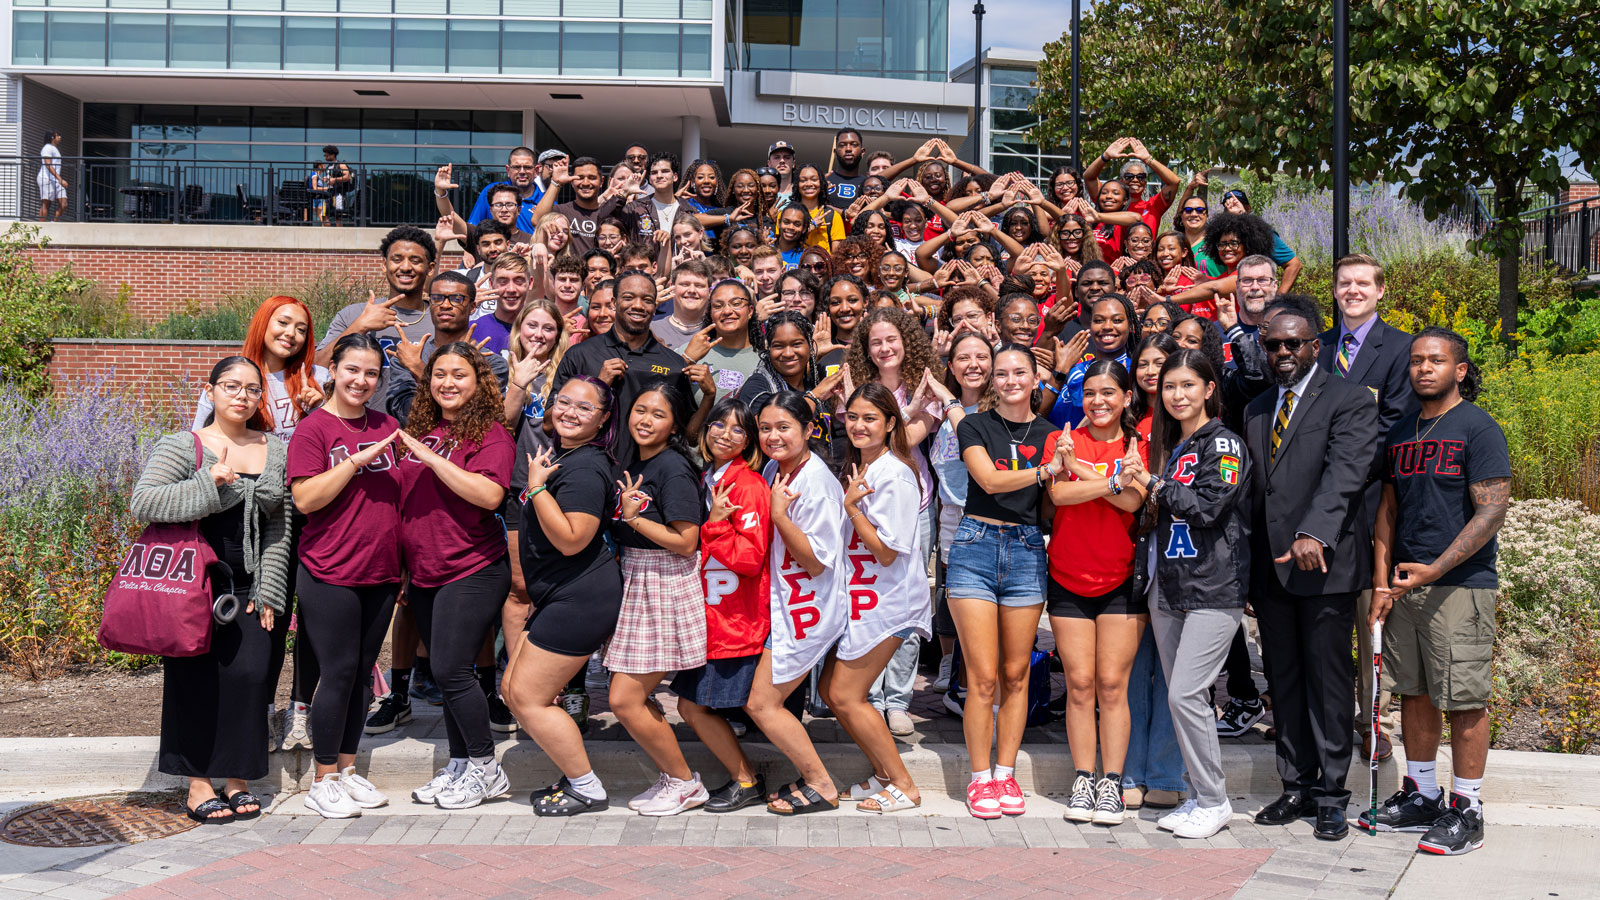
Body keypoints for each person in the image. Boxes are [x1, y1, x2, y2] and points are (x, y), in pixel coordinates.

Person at [1365, 327, 1510, 857]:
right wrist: (1384, 583)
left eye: (1437, 360)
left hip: (1460, 586)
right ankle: (1423, 795)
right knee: (1416, 693)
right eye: (1417, 361)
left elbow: (1491, 510)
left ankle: (1467, 808)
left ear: (1460, 370)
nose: (1424, 368)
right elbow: (1387, 511)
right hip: (1405, 588)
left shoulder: (1477, 428)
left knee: (1465, 699)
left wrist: (1434, 568)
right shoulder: (1401, 432)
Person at [132, 356, 292, 824]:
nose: (242, 396)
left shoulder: (274, 448)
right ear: (211, 391)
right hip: (193, 585)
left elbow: (280, 523)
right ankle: (199, 782)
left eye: (251, 389)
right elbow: (144, 501)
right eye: (231, 386)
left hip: (250, 585)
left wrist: (270, 590)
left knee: (249, 679)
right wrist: (208, 481)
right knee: (194, 681)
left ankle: (237, 778)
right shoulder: (187, 445)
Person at [1243, 298, 1380, 841]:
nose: (1281, 352)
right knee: (1284, 679)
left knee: (1326, 682)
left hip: (1325, 565)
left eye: (1292, 343)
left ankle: (1331, 795)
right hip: (1271, 571)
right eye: (1273, 343)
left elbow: (1347, 473)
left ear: (1314, 347)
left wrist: (1313, 532)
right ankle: (1295, 786)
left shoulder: (1349, 401)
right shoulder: (1255, 409)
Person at [1121, 349, 1250, 840]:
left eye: (1187, 386)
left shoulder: (1225, 445)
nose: (1176, 394)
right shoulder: (1171, 446)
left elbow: (1209, 508)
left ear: (1208, 389)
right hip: (1169, 585)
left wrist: (1150, 482)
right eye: (1169, 386)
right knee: (1184, 701)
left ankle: (1215, 800)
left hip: (1215, 586)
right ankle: (1200, 795)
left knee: (1186, 693)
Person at [190, 296, 327, 753]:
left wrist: (319, 409)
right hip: (259, 516)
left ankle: (300, 709)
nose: (290, 333)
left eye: (302, 328)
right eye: (282, 322)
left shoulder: (317, 380)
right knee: (269, 611)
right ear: (263, 323)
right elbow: (201, 447)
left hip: (313, 512)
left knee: (311, 614)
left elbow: (335, 440)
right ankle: (261, 710)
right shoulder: (237, 378)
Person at [395, 343, 516, 810]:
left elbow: (489, 495)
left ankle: (487, 769)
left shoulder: (490, 434)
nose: (448, 382)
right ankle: (461, 764)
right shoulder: (424, 428)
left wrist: (432, 458)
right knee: (448, 677)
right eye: (439, 374)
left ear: (478, 381)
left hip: (473, 567)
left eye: (459, 374)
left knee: (450, 668)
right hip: (426, 570)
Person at [288, 334, 403, 818]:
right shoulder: (314, 429)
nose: (361, 381)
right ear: (332, 369)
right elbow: (305, 499)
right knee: (335, 673)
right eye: (352, 369)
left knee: (360, 676)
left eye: (371, 373)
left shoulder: (389, 425)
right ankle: (324, 777)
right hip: (329, 570)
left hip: (380, 573)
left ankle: (349, 771)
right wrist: (356, 458)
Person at [501, 377, 623, 816]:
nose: (569, 412)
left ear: (604, 418)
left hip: (581, 599)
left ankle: (586, 787)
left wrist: (535, 489)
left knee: (530, 698)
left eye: (584, 408)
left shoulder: (587, 467)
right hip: (559, 595)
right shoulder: (565, 456)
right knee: (514, 692)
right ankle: (573, 775)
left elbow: (574, 538)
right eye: (563, 402)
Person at [950, 344, 1058, 819]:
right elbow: (990, 482)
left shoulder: (1054, 434)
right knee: (983, 676)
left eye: (1020, 372)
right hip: (975, 546)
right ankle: (978, 778)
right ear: (991, 380)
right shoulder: (975, 425)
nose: (1011, 380)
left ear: (1036, 379)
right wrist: (1045, 471)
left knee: (1017, 674)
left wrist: (1063, 470)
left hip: (1027, 550)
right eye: (1001, 373)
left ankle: (1005, 772)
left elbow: (1057, 496)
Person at [1319, 253, 1418, 761]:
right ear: (1334, 290)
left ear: (1381, 291)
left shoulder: (1400, 350)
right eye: (1344, 283)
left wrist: (1338, 467)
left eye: (1362, 283)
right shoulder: (1320, 347)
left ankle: (1370, 723)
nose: (1352, 290)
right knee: (1325, 619)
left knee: (1368, 619)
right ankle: (1328, 717)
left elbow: (1394, 423)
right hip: (1320, 509)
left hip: (1371, 502)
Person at [1043, 360, 1150, 826]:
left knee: (1112, 685)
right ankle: (1083, 779)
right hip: (1068, 574)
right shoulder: (1059, 439)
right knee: (1080, 684)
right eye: (1089, 393)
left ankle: (1112, 781)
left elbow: (1134, 500)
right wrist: (1108, 480)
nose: (1098, 401)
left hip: (1122, 578)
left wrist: (1080, 471)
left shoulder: (1138, 444)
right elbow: (1058, 498)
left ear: (1126, 397)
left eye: (1109, 392)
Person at [606, 381, 712, 816]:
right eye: (640, 410)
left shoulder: (672, 467)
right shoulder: (637, 459)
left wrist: (633, 519)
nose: (645, 420)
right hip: (637, 577)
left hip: (664, 582)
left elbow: (687, 541)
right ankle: (674, 778)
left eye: (658, 414)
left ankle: (685, 782)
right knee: (634, 696)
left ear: (674, 425)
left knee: (623, 699)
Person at [826, 383, 931, 813]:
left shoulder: (897, 474)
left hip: (891, 603)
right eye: (852, 417)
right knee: (837, 696)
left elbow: (888, 550)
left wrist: (852, 509)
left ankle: (904, 786)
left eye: (870, 418)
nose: (859, 426)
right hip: (864, 598)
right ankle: (884, 776)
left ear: (891, 424)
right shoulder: (860, 467)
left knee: (847, 695)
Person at [750, 393, 847, 815]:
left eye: (784, 427)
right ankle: (811, 777)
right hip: (784, 601)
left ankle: (821, 783)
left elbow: (816, 561)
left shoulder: (818, 483)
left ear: (809, 430)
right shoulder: (776, 467)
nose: (773, 436)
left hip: (809, 606)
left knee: (762, 703)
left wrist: (781, 517)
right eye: (766, 428)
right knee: (765, 702)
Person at [673, 397, 771, 813]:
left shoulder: (748, 485)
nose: (723, 434)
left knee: (692, 707)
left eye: (736, 429)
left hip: (734, 621)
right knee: (692, 705)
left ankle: (747, 779)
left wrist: (714, 525)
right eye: (717, 424)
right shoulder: (707, 477)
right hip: (710, 618)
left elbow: (750, 559)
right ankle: (745, 776)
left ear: (749, 440)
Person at [1121, 332, 1186, 812]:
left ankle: (1165, 771)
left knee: (1169, 672)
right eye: (1142, 363)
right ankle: (1129, 771)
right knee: (1130, 668)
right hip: (1124, 557)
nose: (1150, 373)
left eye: (1159, 364)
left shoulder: (1197, 429)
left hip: (1178, 560)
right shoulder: (1123, 423)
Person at [551, 271, 711, 466]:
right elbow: (548, 425)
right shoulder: (580, 354)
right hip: (587, 475)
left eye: (647, 300)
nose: (638, 305)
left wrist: (709, 397)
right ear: (614, 302)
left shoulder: (674, 365)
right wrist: (598, 387)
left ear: (654, 307)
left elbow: (689, 437)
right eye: (628, 297)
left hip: (644, 482)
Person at [385, 272, 510, 426]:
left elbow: (482, 416)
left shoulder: (491, 361)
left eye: (457, 299)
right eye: (437, 298)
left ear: (472, 307)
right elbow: (405, 414)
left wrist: (419, 370)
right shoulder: (406, 357)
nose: (445, 305)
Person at [683, 278, 760, 395]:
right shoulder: (689, 352)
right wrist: (686, 360)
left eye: (736, 304)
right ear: (711, 314)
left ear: (750, 311)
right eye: (718, 306)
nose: (727, 311)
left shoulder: (766, 359)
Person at [1218, 188, 1302, 291]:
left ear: (1248, 209)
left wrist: (1279, 300)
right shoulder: (1219, 236)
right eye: (1227, 206)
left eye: (1236, 205)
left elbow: (1294, 265)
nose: (1231, 209)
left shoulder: (1262, 234)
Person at [461, 147, 546, 233]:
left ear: (536, 170)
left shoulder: (546, 201)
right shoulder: (492, 192)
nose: (522, 171)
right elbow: (473, 229)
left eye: (527, 167)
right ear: (508, 170)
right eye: (517, 167)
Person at [825, 129, 867, 209]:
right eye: (842, 145)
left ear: (862, 152)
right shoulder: (823, 182)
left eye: (854, 145)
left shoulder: (867, 185)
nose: (848, 149)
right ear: (835, 152)